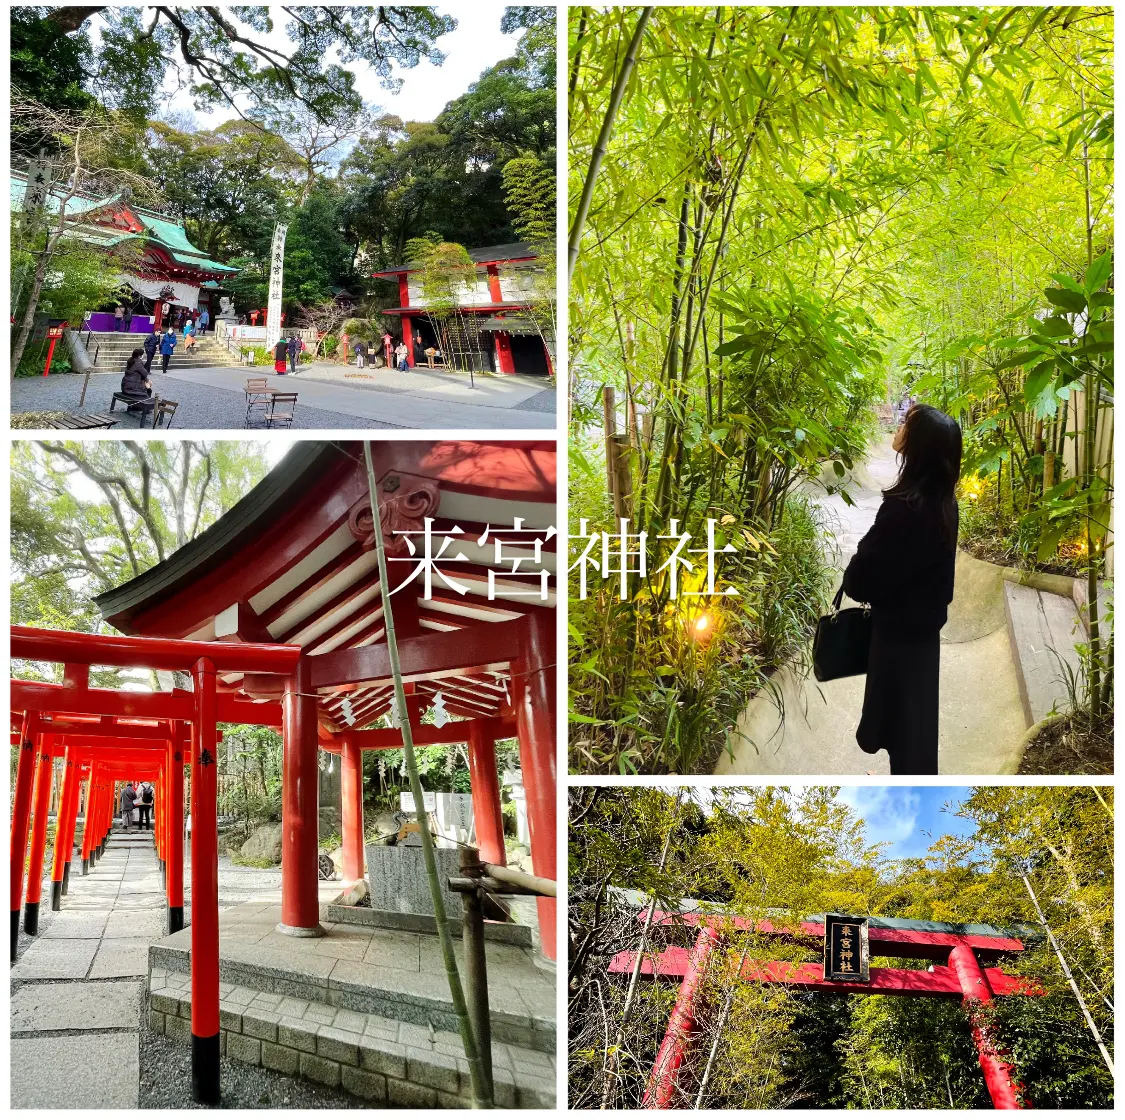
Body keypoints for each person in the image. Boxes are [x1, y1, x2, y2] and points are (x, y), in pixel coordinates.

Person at [841, 404, 962, 775]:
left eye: (908, 424)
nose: (899, 427)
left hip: (897, 643)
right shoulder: (943, 503)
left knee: (905, 739)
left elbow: (861, 580)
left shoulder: (905, 508)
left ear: (919, 445)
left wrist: (859, 561)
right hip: (922, 638)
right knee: (915, 735)